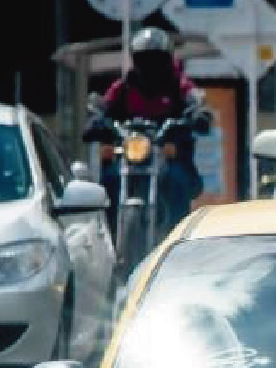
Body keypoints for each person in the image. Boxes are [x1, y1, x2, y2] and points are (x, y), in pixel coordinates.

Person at [81, 27, 213, 231]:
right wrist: (96, 120)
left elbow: (195, 101)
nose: (150, 65)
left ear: (167, 59)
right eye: (144, 59)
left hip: (168, 154)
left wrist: (199, 115)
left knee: (177, 180)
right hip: (131, 151)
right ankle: (108, 236)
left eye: (156, 59)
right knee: (109, 179)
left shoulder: (179, 84)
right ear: (135, 60)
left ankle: (178, 239)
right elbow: (104, 104)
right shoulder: (124, 86)